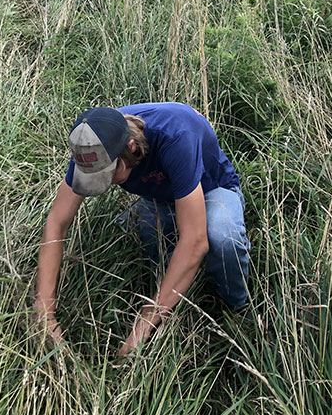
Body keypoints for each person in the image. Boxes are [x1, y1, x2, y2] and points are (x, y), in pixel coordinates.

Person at [34, 102, 250, 355]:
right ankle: (179, 290)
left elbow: (195, 241)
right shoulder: (92, 144)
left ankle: (236, 310)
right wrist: (45, 311)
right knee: (139, 245)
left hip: (212, 190)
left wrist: (144, 324)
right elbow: (56, 222)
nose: (103, 183)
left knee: (220, 238)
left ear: (131, 147)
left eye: (108, 175)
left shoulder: (175, 136)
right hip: (159, 199)